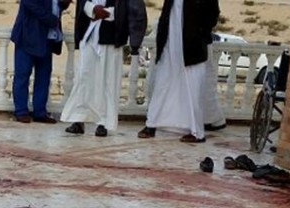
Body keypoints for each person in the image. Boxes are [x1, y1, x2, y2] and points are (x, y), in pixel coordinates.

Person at [137, 0, 221, 144]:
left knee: (193, 90)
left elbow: (212, 14)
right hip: (169, 46)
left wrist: (200, 32)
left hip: (193, 49)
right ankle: (151, 125)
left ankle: (197, 132)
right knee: (162, 86)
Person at [61, 0, 148, 138]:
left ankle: (103, 123)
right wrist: (92, 9)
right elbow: (83, 3)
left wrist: (108, 13)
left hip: (111, 39)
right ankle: (78, 119)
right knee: (83, 79)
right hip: (90, 36)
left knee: (108, 82)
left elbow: (132, 9)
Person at [11, 0, 72, 124]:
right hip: (28, 33)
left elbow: (55, 6)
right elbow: (29, 3)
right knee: (22, 75)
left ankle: (40, 112)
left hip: (48, 37)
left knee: (44, 77)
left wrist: (63, 4)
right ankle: (21, 111)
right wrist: (50, 19)